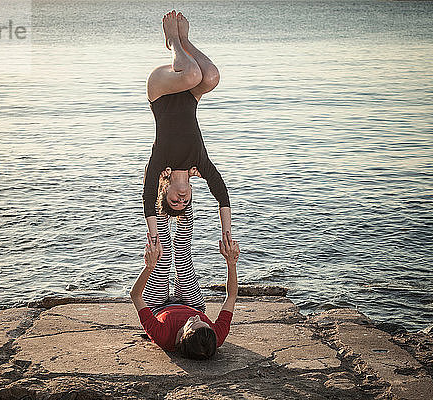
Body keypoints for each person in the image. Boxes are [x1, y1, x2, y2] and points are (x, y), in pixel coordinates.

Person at [143, 10, 232, 252]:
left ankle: (172, 40)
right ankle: (185, 41)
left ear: (166, 189)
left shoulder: (161, 163)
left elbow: (148, 201)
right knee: (212, 77)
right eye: (185, 201)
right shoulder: (200, 164)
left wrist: (154, 240)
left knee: (192, 73)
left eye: (175, 200)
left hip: (160, 92)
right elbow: (222, 196)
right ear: (191, 192)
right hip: (188, 94)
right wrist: (227, 236)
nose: (181, 199)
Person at [130, 230, 240, 360]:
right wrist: (231, 263)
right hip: (193, 305)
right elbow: (231, 296)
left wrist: (149, 267)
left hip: (157, 307)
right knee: (183, 257)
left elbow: (136, 295)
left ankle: (157, 223)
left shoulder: (162, 336)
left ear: (183, 335)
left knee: (161, 259)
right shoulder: (215, 336)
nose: (196, 317)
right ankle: (182, 213)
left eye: (193, 322)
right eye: (205, 323)